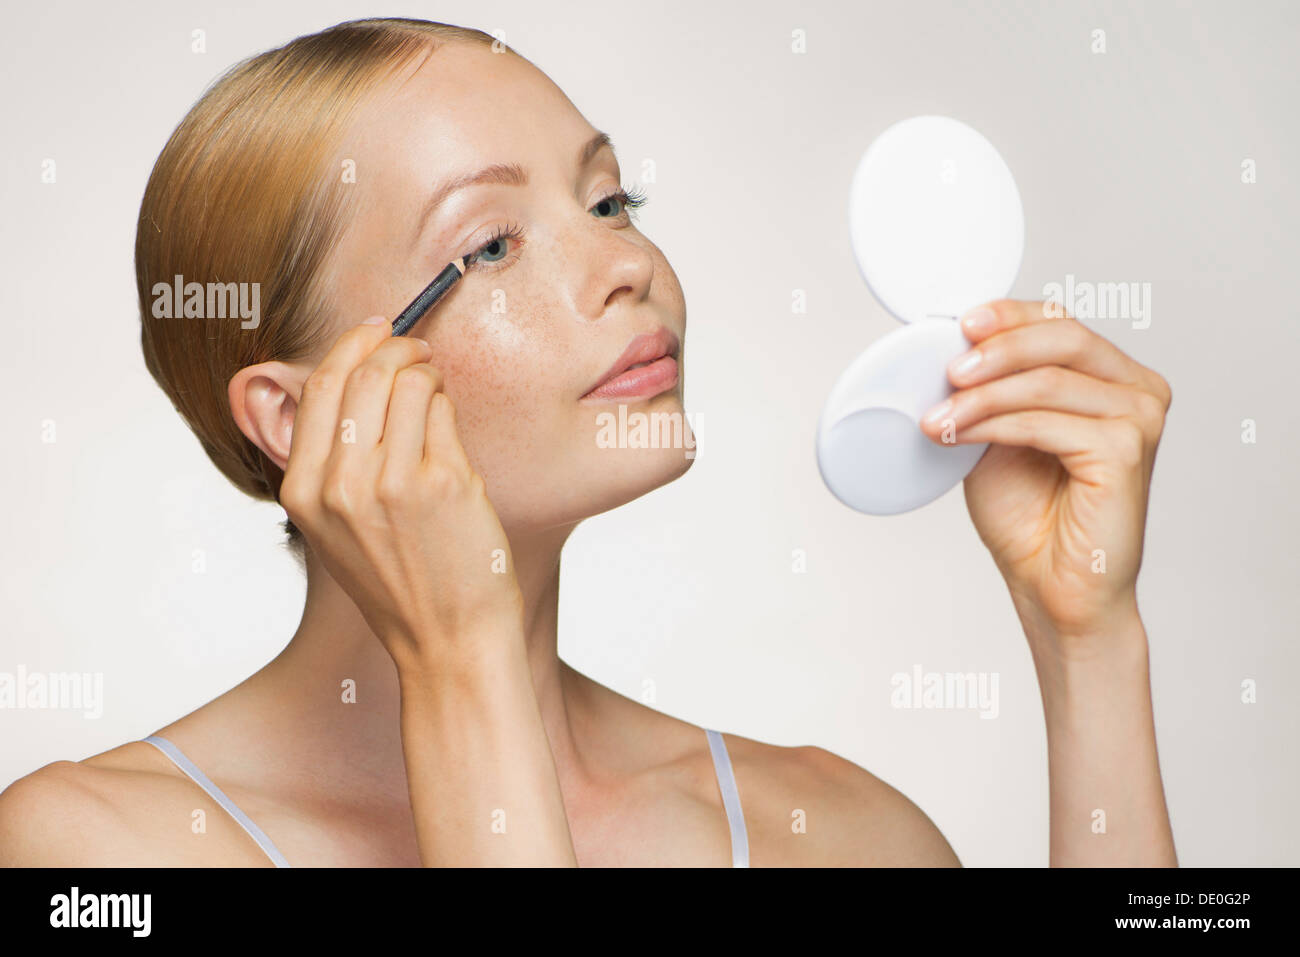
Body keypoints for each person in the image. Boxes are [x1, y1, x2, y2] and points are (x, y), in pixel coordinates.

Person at [0, 17, 1176, 867]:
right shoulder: (94, 857)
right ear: (297, 417)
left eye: (612, 202)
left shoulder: (835, 834)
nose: (630, 268)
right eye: (493, 246)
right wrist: (458, 666)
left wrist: (1089, 643)